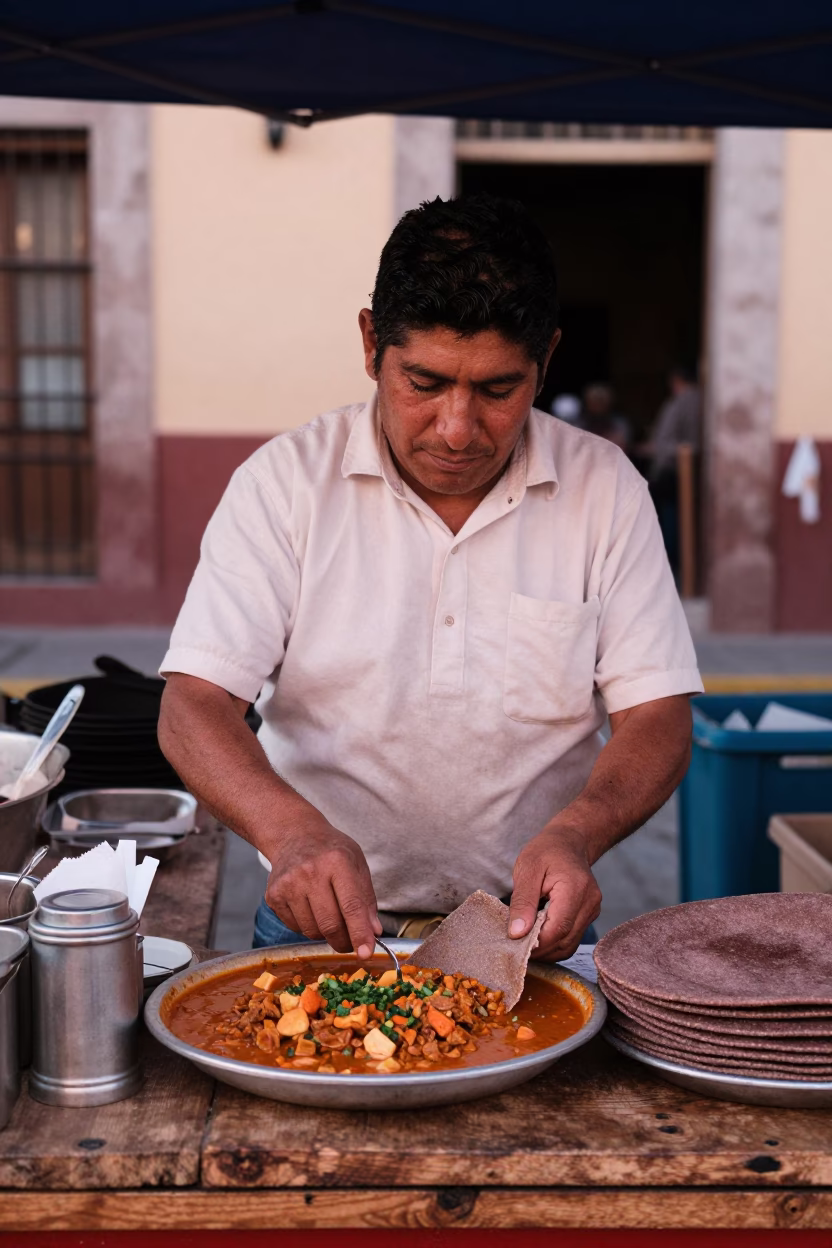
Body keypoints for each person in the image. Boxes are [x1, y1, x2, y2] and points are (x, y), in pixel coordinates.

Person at [157, 194, 703, 964]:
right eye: (424, 381)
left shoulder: (605, 489)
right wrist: (292, 833)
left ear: (546, 359)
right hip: (322, 933)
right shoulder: (283, 484)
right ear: (371, 341)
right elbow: (193, 706)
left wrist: (577, 834)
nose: (455, 428)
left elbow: (657, 716)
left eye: (496, 390)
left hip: (527, 936)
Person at [648, 365, 702, 574]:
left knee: (670, 521)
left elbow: (664, 442)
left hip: (675, 472)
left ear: (677, 381)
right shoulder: (705, 400)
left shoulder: (680, 403)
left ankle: (671, 568)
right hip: (692, 473)